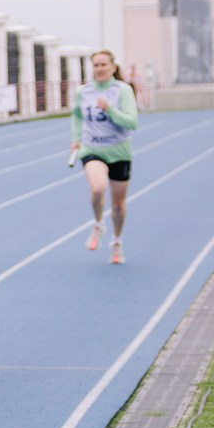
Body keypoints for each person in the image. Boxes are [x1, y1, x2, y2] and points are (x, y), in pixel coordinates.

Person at [68, 48, 139, 265]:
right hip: (92, 149)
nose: (99, 69)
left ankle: (116, 240)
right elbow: (77, 116)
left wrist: (110, 110)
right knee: (98, 188)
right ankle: (98, 223)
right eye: (96, 65)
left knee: (118, 204)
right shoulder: (84, 91)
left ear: (113, 67)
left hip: (119, 152)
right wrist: (76, 138)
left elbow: (132, 122)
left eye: (103, 65)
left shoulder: (123, 90)